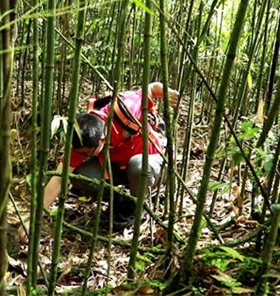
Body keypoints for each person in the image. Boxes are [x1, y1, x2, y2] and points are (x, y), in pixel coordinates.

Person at [41, 82, 180, 231]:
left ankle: (139, 207)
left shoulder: (126, 109)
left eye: (88, 153)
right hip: (121, 167)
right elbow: (58, 179)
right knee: (80, 176)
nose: (84, 156)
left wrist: (169, 93)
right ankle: (123, 202)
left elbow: (151, 88)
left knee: (138, 165)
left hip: (154, 164)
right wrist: (35, 218)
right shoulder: (81, 139)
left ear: (101, 140)